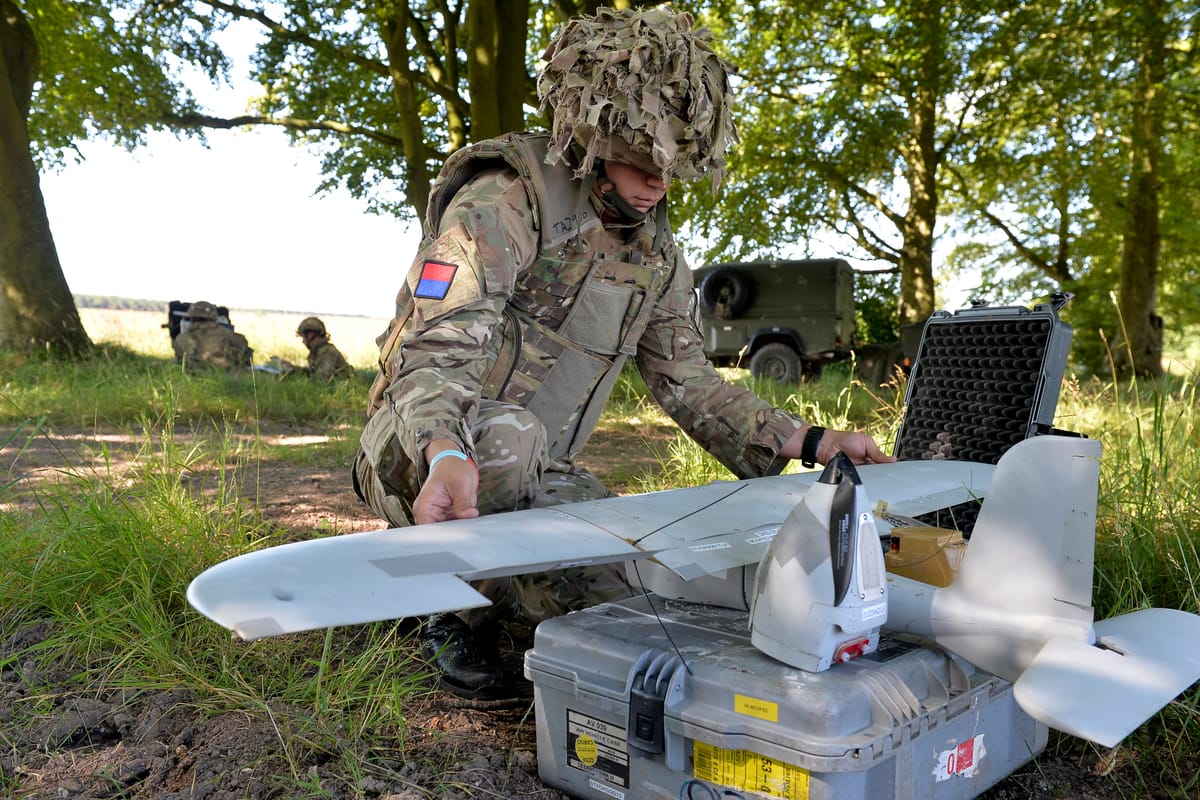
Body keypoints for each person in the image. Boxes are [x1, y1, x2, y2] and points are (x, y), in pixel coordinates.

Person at [352, 6, 894, 699]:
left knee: (623, 584)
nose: (657, 184)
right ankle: (449, 612)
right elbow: (438, 345)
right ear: (593, 132)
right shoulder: (507, 199)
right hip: (420, 453)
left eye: (673, 167)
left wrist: (811, 440)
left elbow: (694, 385)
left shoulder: (656, 257)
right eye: (642, 161)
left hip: (531, 465)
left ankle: (500, 583)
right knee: (510, 441)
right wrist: (442, 450)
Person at [172, 301, 253, 373]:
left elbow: (179, 359)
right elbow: (243, 346)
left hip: (192, 375)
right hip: (225, 374)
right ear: (213, 315)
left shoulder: (181, 337)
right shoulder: (223, 332)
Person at [282, 316, 354, 381]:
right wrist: (293, 368)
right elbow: (312, 372)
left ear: (310, 335)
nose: (303, 341)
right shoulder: (318, 351)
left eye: (304, 337)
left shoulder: (327, 352)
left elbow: (321, 380)